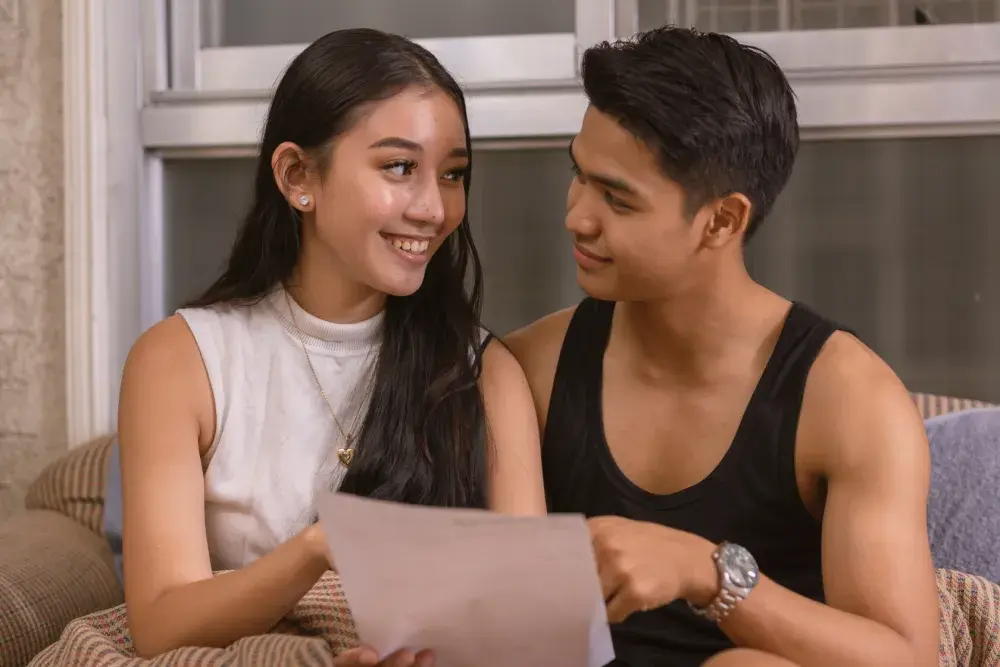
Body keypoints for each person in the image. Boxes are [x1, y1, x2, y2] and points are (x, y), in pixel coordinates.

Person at [505, 26, 940, 667]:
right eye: (580, 176)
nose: (576, 216)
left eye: (617, 199)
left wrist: (707, 572)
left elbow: (905, 657)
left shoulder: (846, 399)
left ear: (721, 220)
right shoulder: (532, 369)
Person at [117, 28, 545, 665]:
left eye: (453, 174)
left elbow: (534, 616)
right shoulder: (181, 361)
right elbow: (160, 626)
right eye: (399, 167)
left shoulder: (485, 374)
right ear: (297, 177)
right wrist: (320, 549)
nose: (433, 208)